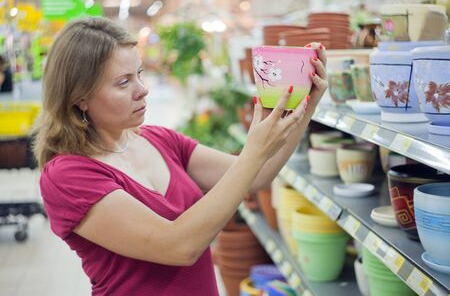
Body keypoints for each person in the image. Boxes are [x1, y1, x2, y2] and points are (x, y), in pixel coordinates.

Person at [33, 17, 328, 296]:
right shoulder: (67, 176)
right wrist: (253, 149)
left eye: (139, 74)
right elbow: (178, 246)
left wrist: (306, 104)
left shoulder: (161, 140)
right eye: (123, 83)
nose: (143, 90)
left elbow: (259, 174)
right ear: (79, 97)